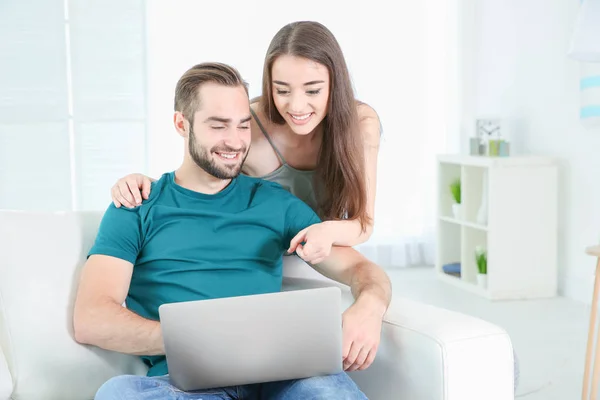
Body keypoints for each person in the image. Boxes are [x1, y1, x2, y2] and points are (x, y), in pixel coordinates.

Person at [73, 62, 392, 400]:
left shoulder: (276, 204)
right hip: (185, 385)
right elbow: (92, 318)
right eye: (218, 126)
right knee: (119, 393)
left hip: (284, 378)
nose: (235, 141)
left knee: (328, 393)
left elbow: (360, 269)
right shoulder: (137, 206)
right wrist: (197, 337)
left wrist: (369, 305)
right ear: (182, 124)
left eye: (243, 126)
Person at [109, 21, 382, 266]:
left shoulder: (361, 125)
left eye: (313, 90)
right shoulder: (247, 122)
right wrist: (146, 186)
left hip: (323, 253)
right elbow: (204, 177)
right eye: (282, 90)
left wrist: (327, 231)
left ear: (336, 84)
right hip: (255, 256)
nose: (297, 106)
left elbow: (363, 224)